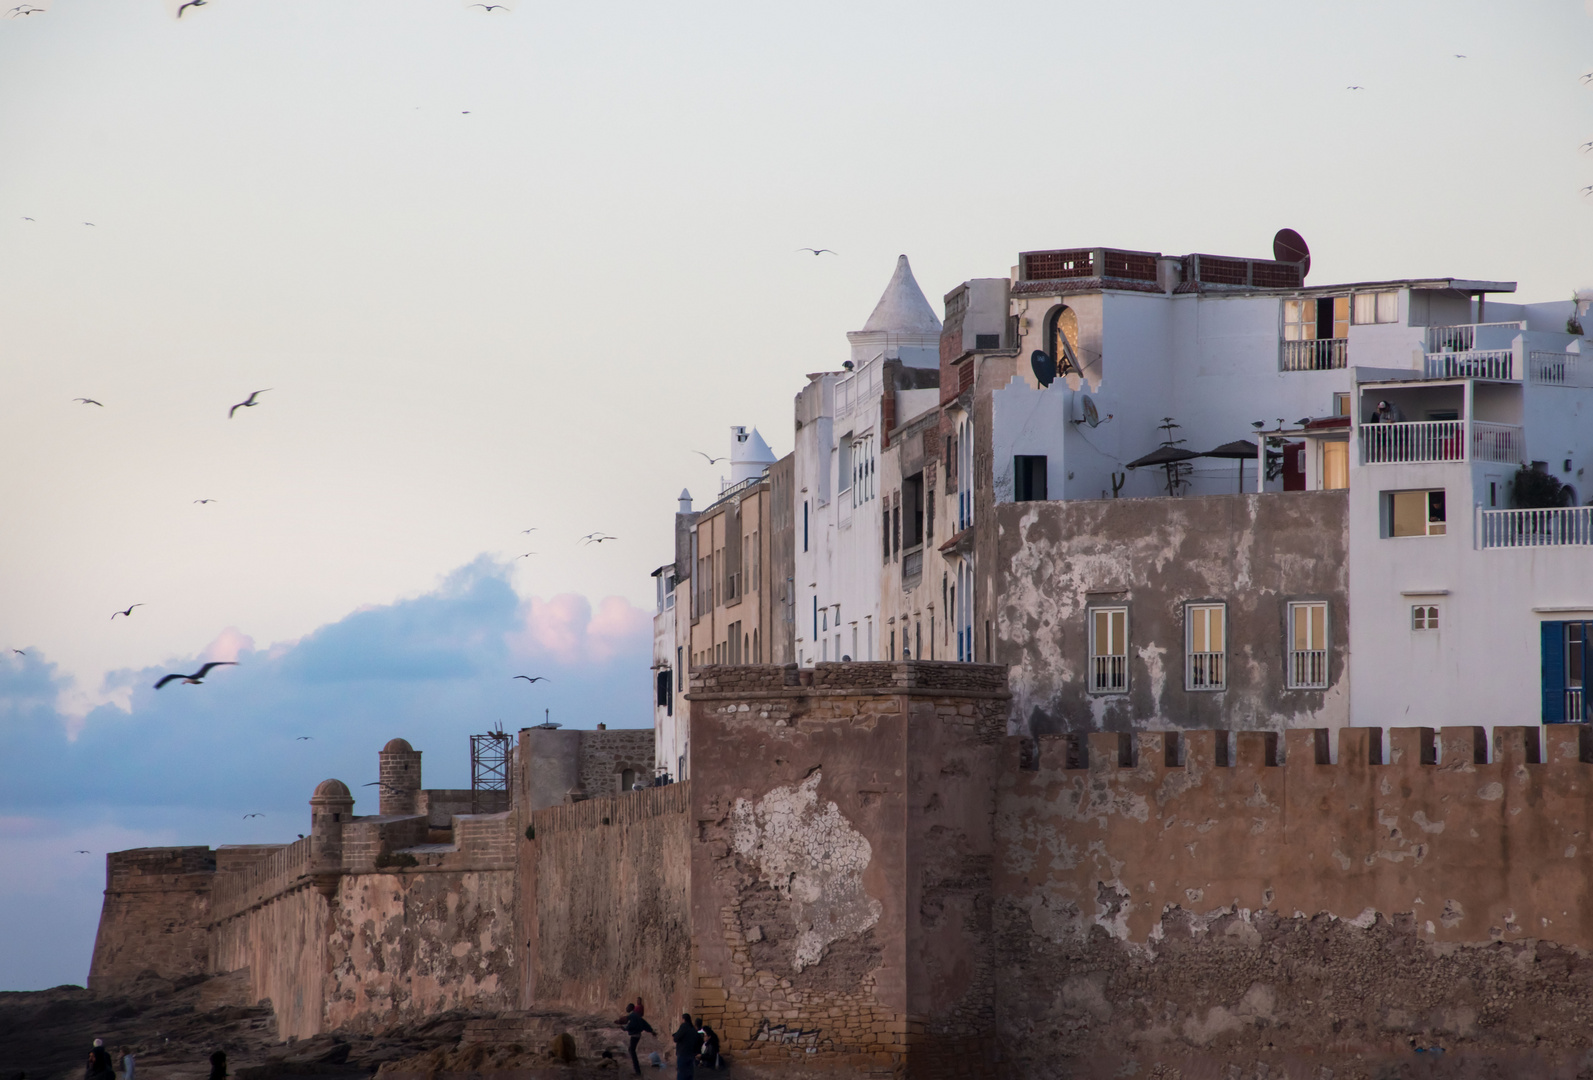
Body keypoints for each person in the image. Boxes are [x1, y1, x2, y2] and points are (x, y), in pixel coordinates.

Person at [614, 1002, 654, 1076]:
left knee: (632, 1051)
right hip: (637, 1034)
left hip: (635, 1035)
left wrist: (625, 1028)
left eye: (627, 1007)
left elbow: (631, 1025)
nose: (626, 1008)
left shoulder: (632, 1016)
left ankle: (637, 1070)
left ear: (630, 1008)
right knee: (631, 1050)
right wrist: (651, 1030)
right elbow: (644, 1024)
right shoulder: (636, 1015)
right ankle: (637, 1068)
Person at [672, 1014, 702, 1079]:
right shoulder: (693, 1029)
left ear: (684, 1019)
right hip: (691, 1055)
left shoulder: (684, 1026)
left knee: (682, 1073)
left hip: (683, 1054)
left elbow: (676, 1038)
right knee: (689, 1074)